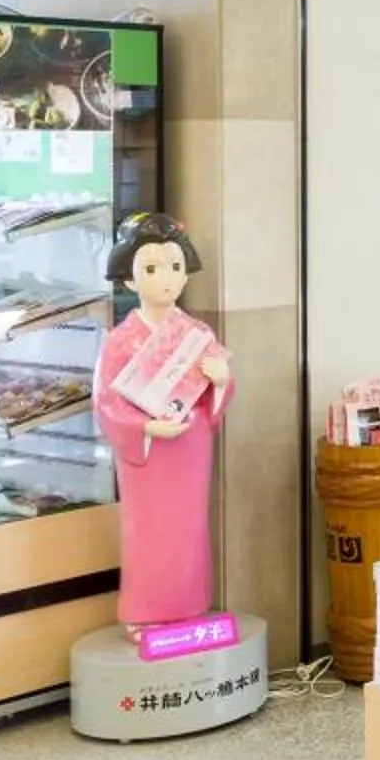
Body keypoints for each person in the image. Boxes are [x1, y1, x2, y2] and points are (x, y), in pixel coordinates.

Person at [94, 212, 230, 631]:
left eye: (174, 267)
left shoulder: (196, 333)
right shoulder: (121, 341)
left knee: (189, 527)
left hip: (189, 443)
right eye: (151, 269)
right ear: (129, 279)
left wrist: (221, 381)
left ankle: (189, 605)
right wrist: (144, 428)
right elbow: (106, 401)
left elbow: (217, 392)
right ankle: (145, 613)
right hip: (149, 450)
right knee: (148, 529)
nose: (165, 279)